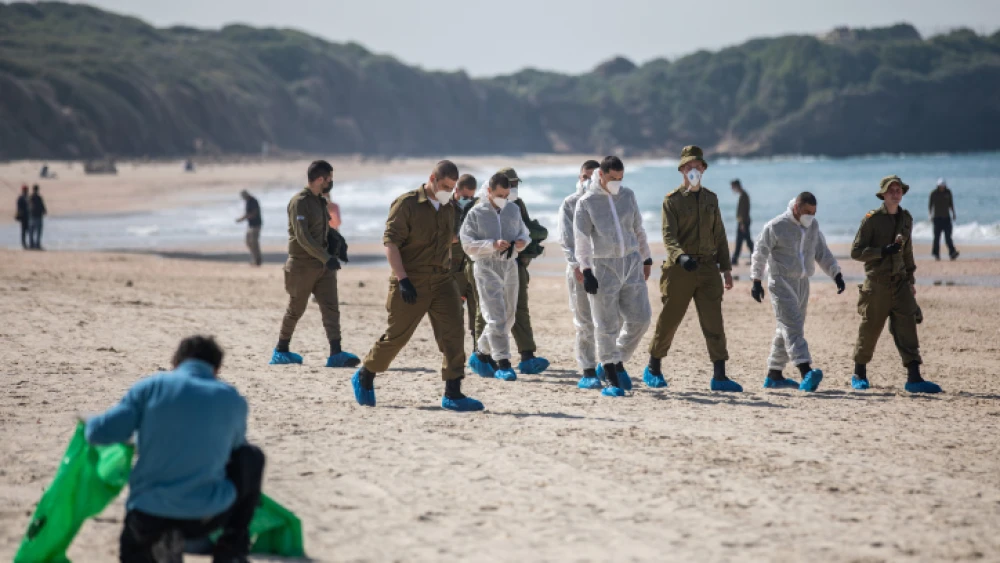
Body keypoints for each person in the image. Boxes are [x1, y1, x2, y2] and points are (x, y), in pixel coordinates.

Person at [84, 336, 264, 563]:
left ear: (175, 362)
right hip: (204, 516)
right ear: (216, 369)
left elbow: (97, 434)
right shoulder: (232, 399)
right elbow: (236, 451)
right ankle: (231, 548)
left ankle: (163, 539)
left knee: (138, 548)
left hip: (147, 514)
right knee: (252, 457)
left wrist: (89, 422)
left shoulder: (150, 387)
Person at [352, 160, 484, 412]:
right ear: (432, 178)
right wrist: (402, 279)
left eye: (452, 187)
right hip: (411, 279)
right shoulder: (407, 204)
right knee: (397, 336)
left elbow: (451, 239)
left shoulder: (449, 207)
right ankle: (366, 374)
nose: (448, 191)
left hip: (442, 279)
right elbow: (390, 243)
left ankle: (453, 393)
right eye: (445, 185)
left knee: (453, 334)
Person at [646, 146, 742, 392]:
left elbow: (719, 234)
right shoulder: (672, 201)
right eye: (688, 167)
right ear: (681, 170)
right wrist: (680, 257)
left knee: (714, 322)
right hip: (680, 270)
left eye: (697, 167)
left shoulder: (711, 198)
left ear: (704, 169)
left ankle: (719, 376)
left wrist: (726, 268)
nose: (693, 170)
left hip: (708, 268)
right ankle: (653, 367)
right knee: (670, 319)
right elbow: (668, 236)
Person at [849, 175, 941, 393]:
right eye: (891, 189)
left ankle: (914, 378)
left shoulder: (906, 219)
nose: (895, 193)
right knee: (869, 329)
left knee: (907, 327)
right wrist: (882, 252)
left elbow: (908, 253)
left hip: (900, 284)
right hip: (877, 284)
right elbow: (856, 252)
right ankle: (859, 374)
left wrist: (910, 281)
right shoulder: (871, 220)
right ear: (883, 194)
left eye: (899, 189)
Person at [749, 192, 845, 392]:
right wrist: (756, 280)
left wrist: (836, 274)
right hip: (781, 281)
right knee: (792, 325)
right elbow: (760, 251)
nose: (810, 216)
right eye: (807, 212)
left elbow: (822, 252)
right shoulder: (776, 226)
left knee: (787, 327)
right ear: (796, 208)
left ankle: (774, 374)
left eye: (814, 212)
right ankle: (805, 371)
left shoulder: (813, 227)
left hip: (802, 283)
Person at [574, 156, 654, 397]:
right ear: (601, 174)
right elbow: (582, 239)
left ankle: (613, 358)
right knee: (606, 325)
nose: (617, 183)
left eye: (620, 179)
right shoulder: (587, 202)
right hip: (603, 266)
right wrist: (586, 270)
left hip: (631, 262)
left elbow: (638, 228)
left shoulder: (628, 196)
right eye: (612, 179)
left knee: (641, 318)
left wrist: (646, 257)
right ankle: (610, 377)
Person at [270, 160, 360, 368]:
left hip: (324, 266)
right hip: (302, 266)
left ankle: (336, 353)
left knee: (331, 308)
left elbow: (323, 230)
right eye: (329, 179)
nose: (331, 183)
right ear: (320, 179)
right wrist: (325, 257)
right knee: (296, 308)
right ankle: (281, 350)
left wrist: (337, 244)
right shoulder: (299, 202)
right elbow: (303, 236)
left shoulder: (320, 201)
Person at [461, 173, 531, 381]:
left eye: (507, 194)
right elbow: (467, 244)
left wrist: (521, 242)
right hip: (485, 267)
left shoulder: (513, 209)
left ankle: (481, 351)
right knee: (496, 316)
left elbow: (524, 233)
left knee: (509, 315)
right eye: (500, 194)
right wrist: (491, 244)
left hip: (509, 266)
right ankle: (503, 363)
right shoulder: (476, 213)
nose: (504, 198)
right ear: (489, 191)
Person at [498, 167, 551, 375]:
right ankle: (484, 356)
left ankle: (527, 356)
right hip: (490, 266)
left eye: (515, 184)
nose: (513, 188)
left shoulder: (518, 204)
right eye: (509, 183)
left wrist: (527, 244)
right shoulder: (485, 205)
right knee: (488, 312)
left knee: (520, 309)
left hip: (516, 264)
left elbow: (530, 231)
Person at [559, 160, 601, 389]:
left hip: (604, 268)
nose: (587, 181)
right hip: (579, 271)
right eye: (584, 177)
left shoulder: (605, 203)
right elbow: (566, 239)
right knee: (584, 321)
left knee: (607, 320)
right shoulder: (570, 204)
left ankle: (607, 363)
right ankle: (588, 369)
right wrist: (577, 266)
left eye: (592, 177)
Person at [451, 174, 479, 349]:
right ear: (457, 190)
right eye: (464, 196)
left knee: (477, 313)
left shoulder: (477, 208)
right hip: (452, 268)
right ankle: (454, 353)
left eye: (470, 196)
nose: (467, 199)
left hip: (473, 266)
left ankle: (479, 353)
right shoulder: (446, 208)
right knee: (453, 315)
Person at [929, 178, 959, 261]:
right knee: (936, 238)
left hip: (946, 218)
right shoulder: (933, 194)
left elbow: (951, 204)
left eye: (943, 186)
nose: (942, 187)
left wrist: (953, 213)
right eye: (940, 186)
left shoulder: (948, 192)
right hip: (937, 218)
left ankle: (952, 253)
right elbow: (930, 205)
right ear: (938, 186)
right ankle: (936, 254)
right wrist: (930, 215)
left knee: (948, 237)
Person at [236, 190, 262, 266]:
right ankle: (254, 258)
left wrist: (242, 218)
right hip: (250, 225)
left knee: (254, 243)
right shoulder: (247, 201)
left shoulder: (253, 201)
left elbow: (254, 213)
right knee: (248, 242)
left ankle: (258, 260)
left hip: (256, 225)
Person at [730, 179, 753, 265]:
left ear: (736, 186)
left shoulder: (744, 196)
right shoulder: (743, 195)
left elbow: (744, 211)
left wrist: (742, 224)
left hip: (743, 222)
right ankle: (735, 259)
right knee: (743, 241)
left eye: (733, 187)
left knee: (747, 241)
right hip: (743, 222)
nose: (732, 189)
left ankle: (735, 259)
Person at [28, 184, 46, 250]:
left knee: (31, 232)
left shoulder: (31, 197)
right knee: (38, 232)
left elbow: (28, 207)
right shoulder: (38, 198)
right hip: (38, 217)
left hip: (32, 217)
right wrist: (44, 211)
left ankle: (31, 245)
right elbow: (43, 207)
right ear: (37, 190)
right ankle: (37, 245)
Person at [15, 185, 29, 249]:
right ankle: (24, 244)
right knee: (23, 231)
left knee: (28, 231)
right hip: (23, 217)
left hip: (28, 217)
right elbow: (18, 207)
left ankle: (28, 243)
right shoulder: (21, 198)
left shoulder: (27, 197)